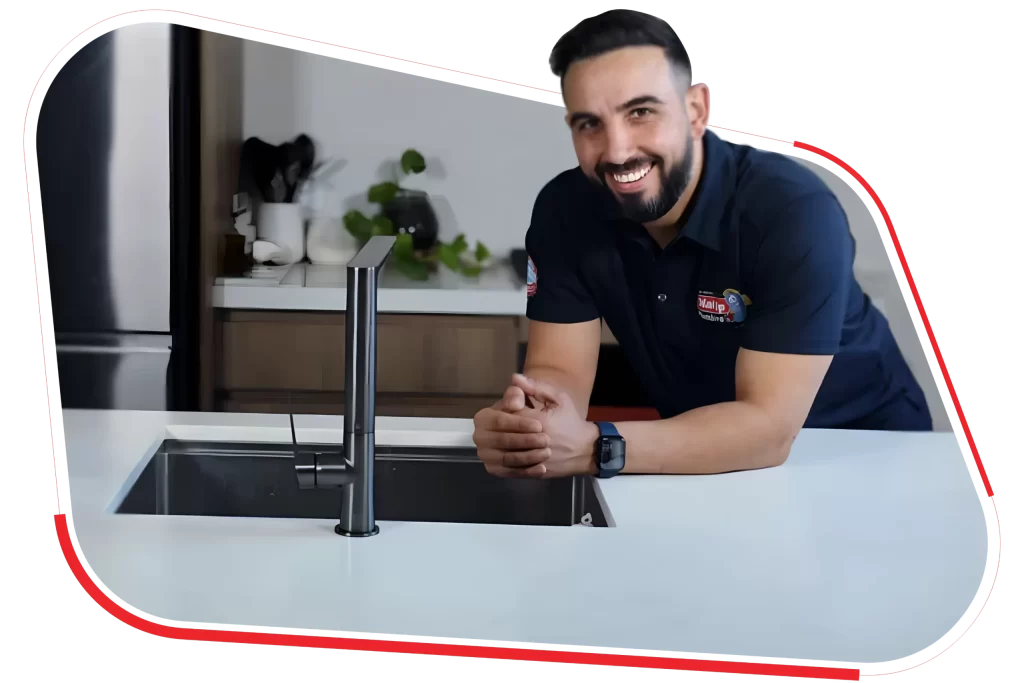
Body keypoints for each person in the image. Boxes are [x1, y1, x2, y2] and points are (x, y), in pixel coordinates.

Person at [472, 9, 932, 480]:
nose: (616, 151)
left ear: (696, 110)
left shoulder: (791, 210)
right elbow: (557, 370)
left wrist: (598, 447)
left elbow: (768, 429)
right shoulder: (565, 209)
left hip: (868, 456)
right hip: (700, 451)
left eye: (641, 113)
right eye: (589, 124)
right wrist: (535, 427)